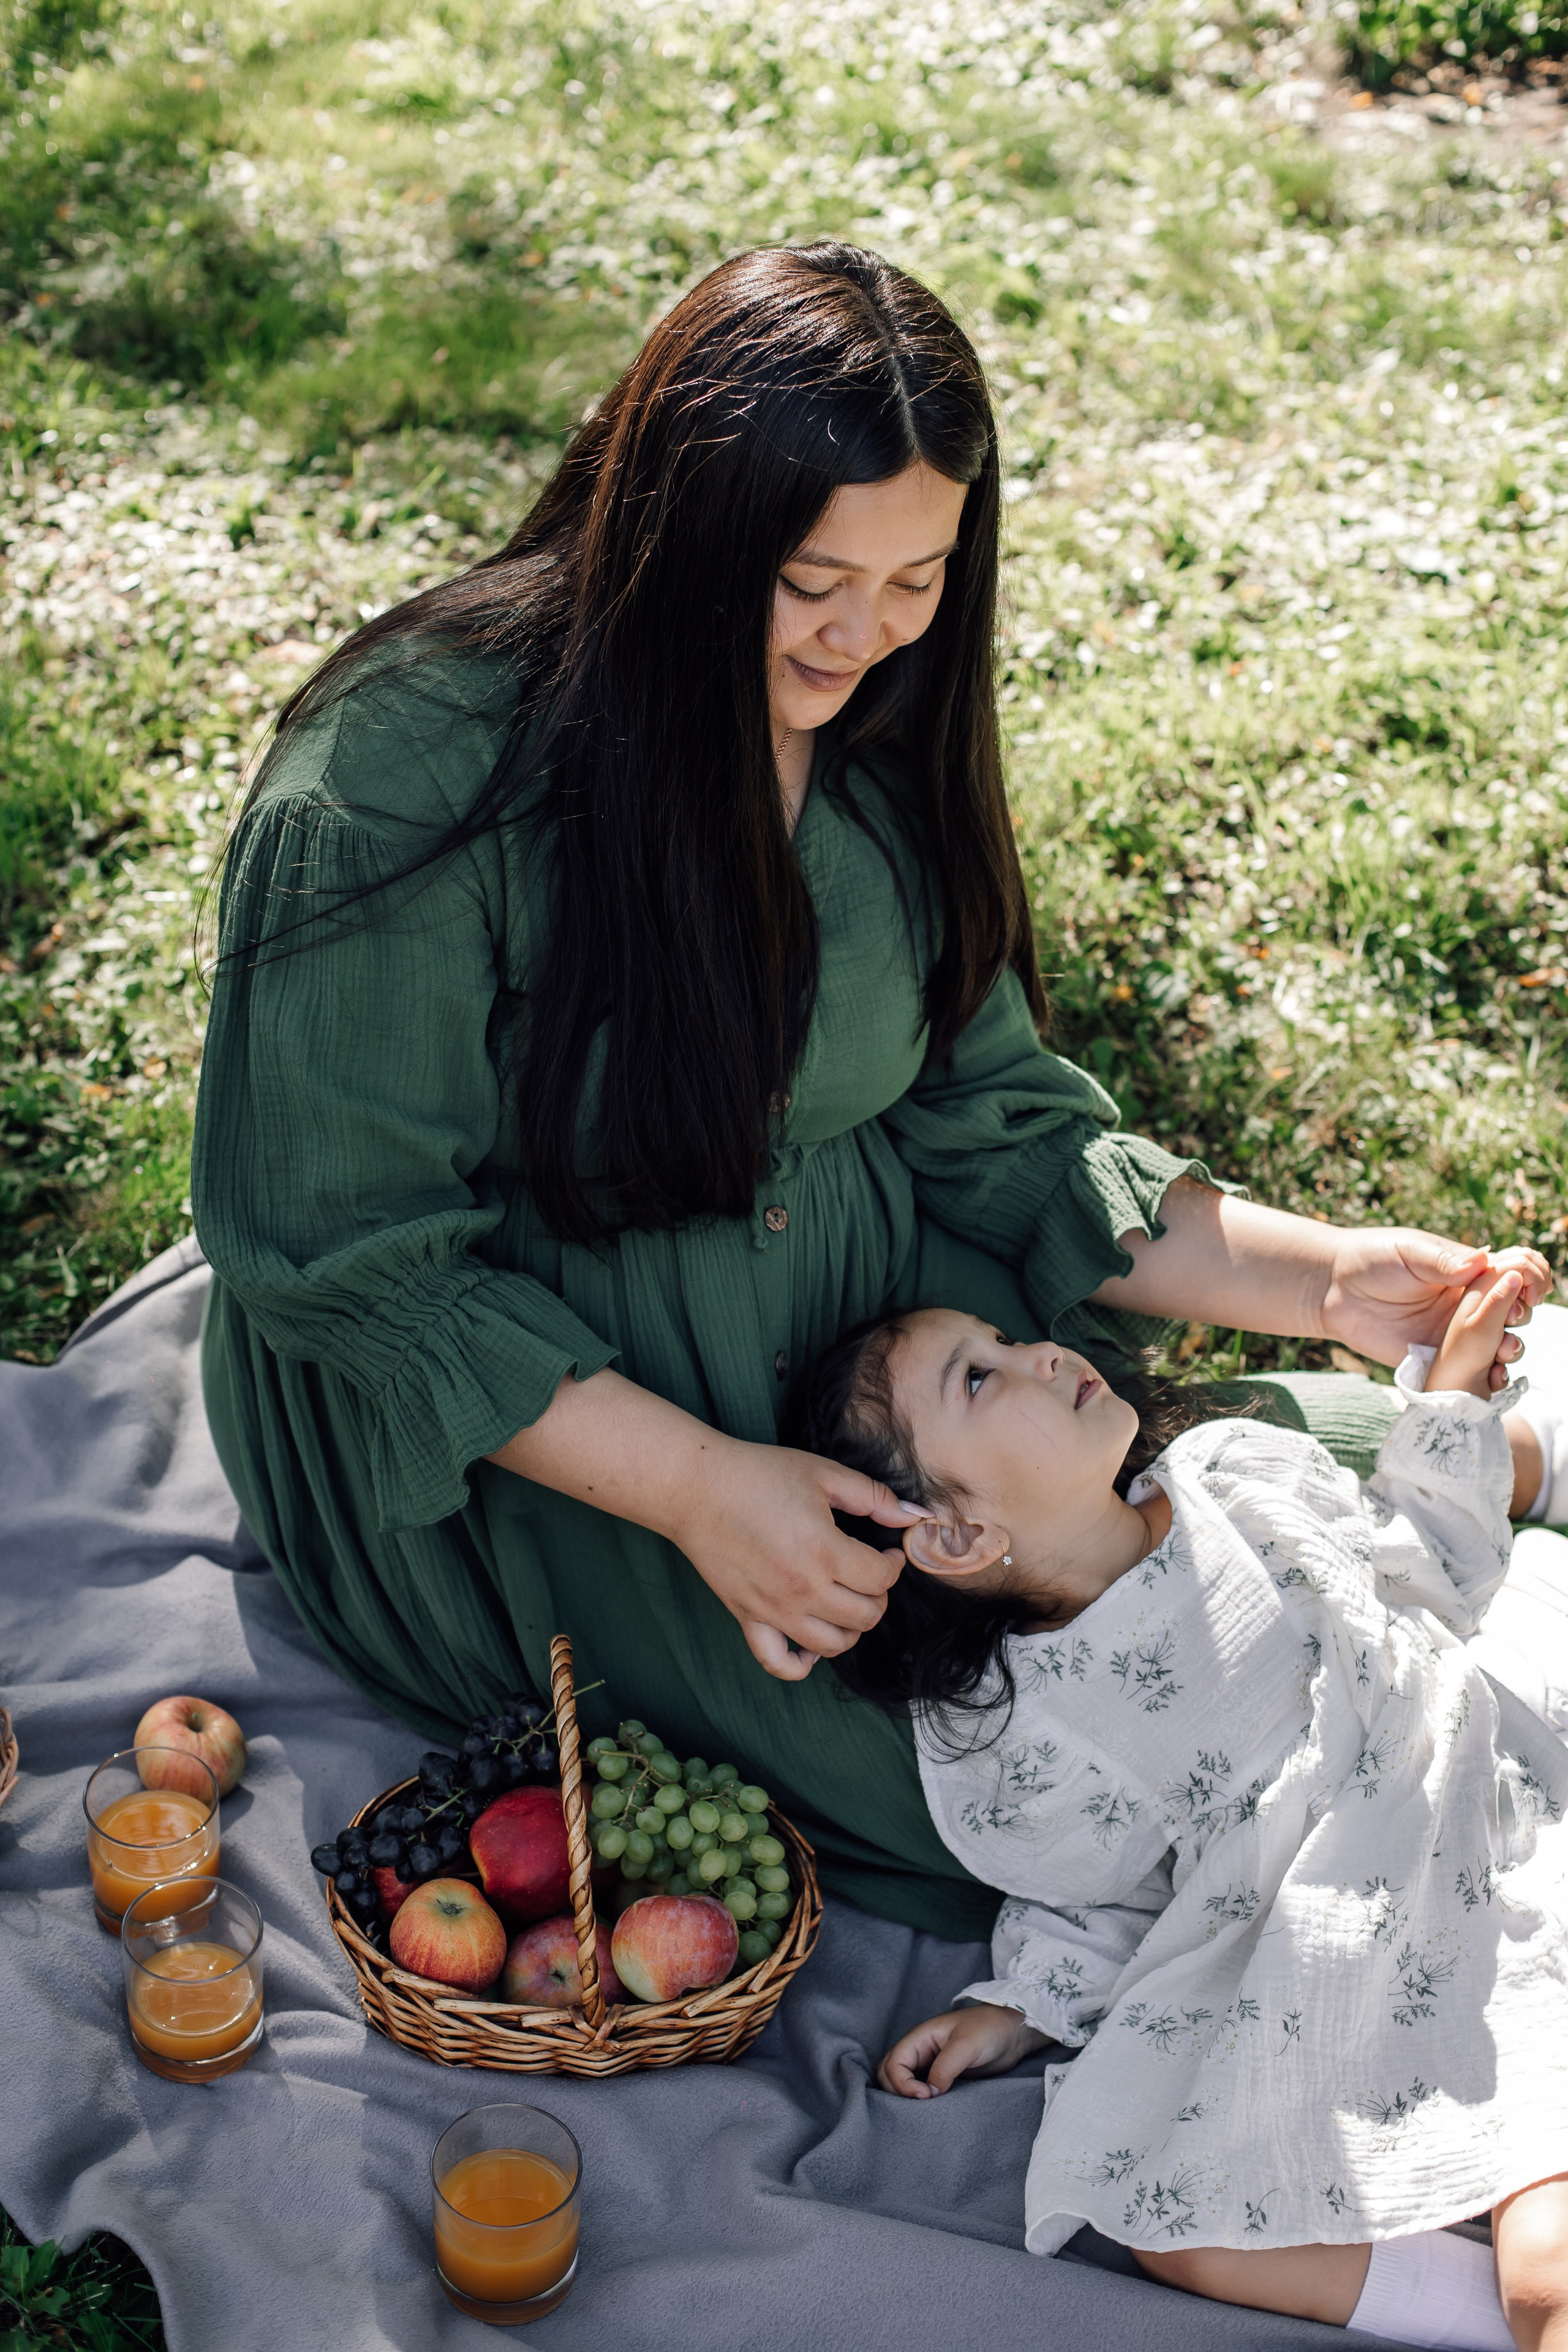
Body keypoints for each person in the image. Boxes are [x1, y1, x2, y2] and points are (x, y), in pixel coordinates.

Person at [192, 238, 1553, 1937]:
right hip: (546, 1426)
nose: (864, 636)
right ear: (673, 535)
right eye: (811, 580)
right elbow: (341, 1251)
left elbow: (993, 1125)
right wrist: (702, 1489)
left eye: (918, 579)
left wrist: (1328, 1281)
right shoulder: (400, 781)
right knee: (1047, 1784)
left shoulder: (878, 717)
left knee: (1314, 1489)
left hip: (887, 1347)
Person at [798, 1272, 1568, 2351]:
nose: (1041, 1354)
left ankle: (1529, 2279)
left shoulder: (1232, 1476)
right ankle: (1474, 2304)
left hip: (1487, 1831)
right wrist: (1019, 2009)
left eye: (1006, 1338)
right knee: (1172, 2224)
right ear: (956, 1537)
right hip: (1335, 1944)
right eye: (979, 1377)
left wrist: (1450, 1396)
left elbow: (1423, 1571)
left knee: (1546, 2269)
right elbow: (1107, 1899)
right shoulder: (1031, 1724)